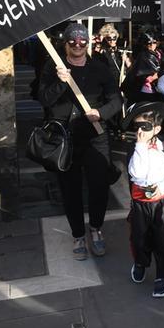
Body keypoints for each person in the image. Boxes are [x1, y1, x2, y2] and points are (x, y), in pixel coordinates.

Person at [38, 22, 122, 259]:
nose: (77, 44)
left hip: (96, 136)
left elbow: (116, 100)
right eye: (72, 40)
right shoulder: (53, 67)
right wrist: (59, 83)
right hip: (66, 139)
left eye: (82, 40)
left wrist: (101, 113)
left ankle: (95, 229)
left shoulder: (100, 67)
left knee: (99, 185)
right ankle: (77, 235)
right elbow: (43, 99)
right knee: (70, 189)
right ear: (65, 43)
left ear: (88, 42)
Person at [124, 101, 164, 298]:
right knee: (139, 238)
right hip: (140, 204)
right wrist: (140, 146)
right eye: (137, 126)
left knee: (162, 240)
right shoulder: (135, 149)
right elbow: (136, 172)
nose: (141, 131)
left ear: (157, 128)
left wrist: (161, 188)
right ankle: (140, 261)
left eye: (146, 127)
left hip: (160, 204)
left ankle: (162, 275)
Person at [124, 33, 163, 103]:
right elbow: (142, 73)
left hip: (158, 89)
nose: (152, 45)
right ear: (145, 44)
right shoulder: (144, 55)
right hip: (146, 90)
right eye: (149, 43)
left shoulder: (159, 54)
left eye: (154, 42)